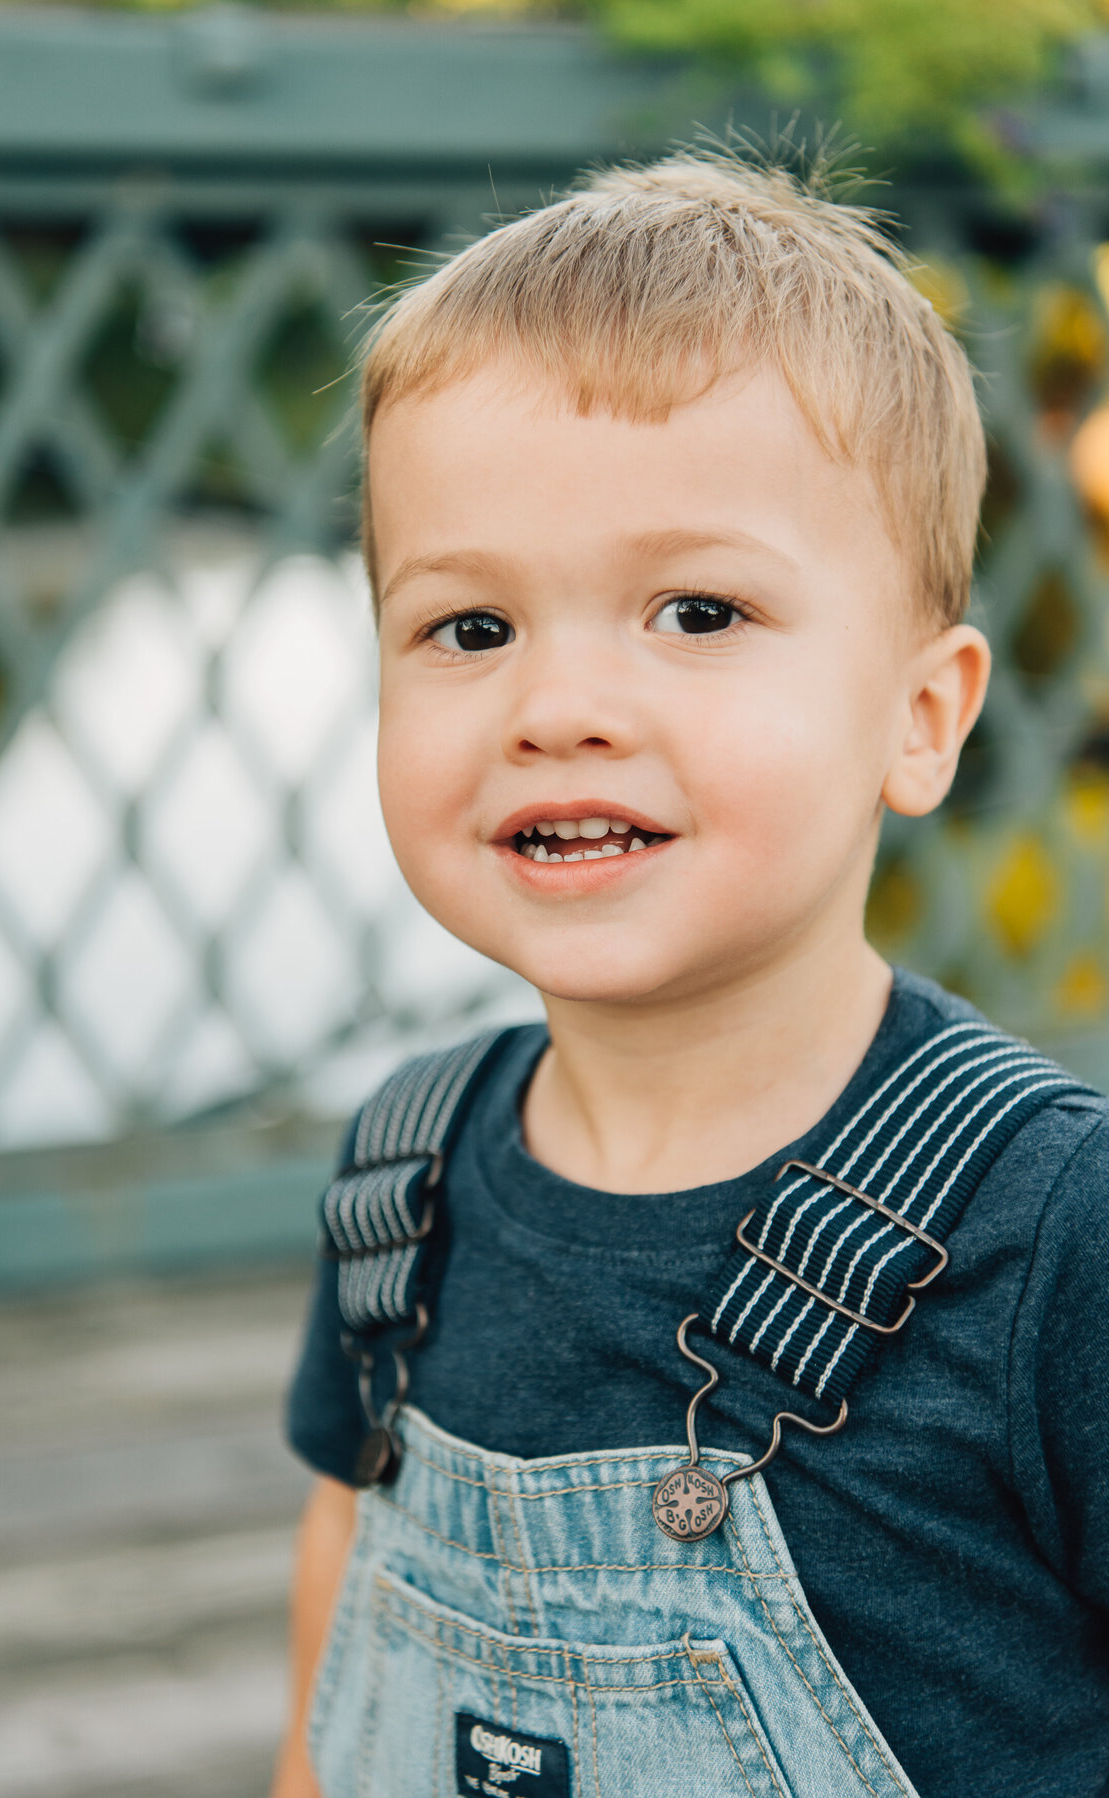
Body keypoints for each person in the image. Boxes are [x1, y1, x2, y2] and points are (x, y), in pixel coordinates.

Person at [270, 149, 1109, 1798]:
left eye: (699, 609)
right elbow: (338, 1615)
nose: (558, 703)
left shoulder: (1054, 1234)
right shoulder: (403, 1178)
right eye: (470, 628)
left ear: (919, 717)